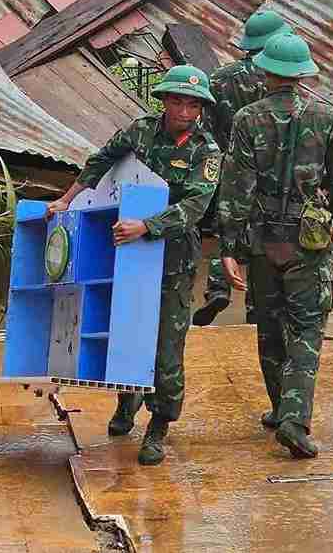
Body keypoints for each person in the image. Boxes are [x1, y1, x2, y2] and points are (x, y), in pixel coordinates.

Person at [46, 65, 221, 466]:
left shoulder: (206, 151)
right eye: (177, 101)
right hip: (128, 253)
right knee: (126, 333)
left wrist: (148, 225)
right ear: (164, 101)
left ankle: (159, 425)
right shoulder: (140, 131)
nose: (184, 110)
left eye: (192, 104)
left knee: (165, 345)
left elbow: (195, 205)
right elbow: (100, 160)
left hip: (172, 258)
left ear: (201, 108)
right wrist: (66, 199)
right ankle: (127, 402)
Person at [217, 33, 333, 459]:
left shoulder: (246, 118)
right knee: (307, 328)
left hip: (262, 240)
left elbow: (235, 187)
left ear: (266, 71)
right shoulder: (327, 118)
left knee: (269, 325)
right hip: (308, 241)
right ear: (302, 74)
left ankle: (280, 409)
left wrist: (229, 246)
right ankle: (294, 418)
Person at [192, 10, 293, 328]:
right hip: (272, 171)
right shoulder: (277, 77)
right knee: (262, 236)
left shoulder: (219, 79)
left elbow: (205, 128)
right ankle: (254, 305)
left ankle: (218, 289)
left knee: (229, 229)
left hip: (230, 165)